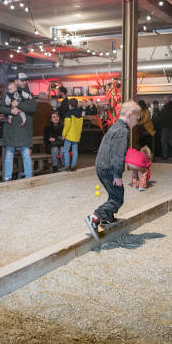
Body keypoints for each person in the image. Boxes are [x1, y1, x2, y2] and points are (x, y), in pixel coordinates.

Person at [84, 101, 141, 240]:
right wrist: (117, 174)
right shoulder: (122, 131)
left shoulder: (115, 127)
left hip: (102, 165)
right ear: (130, 115)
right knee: (117, 197)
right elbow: (117, 154)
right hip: (108, 167)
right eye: (136, 119)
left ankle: (107, 218)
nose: (136, 122)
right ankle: (95, 217)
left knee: (113, 193)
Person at [0, 73, 36, 181]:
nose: (24, 82)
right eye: (21, 80)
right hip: (11, 128)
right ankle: (7, 178)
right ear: (16, 81)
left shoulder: (29, 94)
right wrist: (10, 110)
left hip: (24, 128)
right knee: (10, 153)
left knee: (25, 153)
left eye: (25, 80)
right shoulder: (8, 93)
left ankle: (28, 177)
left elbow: (32, 108)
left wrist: (18, 105)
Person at [62, 98, 83, 171]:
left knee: (66, 151)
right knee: (75, 151)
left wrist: (64, 134)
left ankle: (67, 166)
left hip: (69, 136)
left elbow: (67, 126)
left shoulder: (68, 113)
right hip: (76, 136)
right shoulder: (80, 115)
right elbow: (80, 127)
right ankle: (73, 166)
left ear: (70, 105)